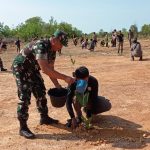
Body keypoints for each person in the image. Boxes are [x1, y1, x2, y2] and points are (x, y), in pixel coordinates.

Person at [12, 30, 74, 139]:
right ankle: (23, 127)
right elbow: (45, 69)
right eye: (61, 44)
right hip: (21, 68)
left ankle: (44, 117)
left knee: (40, 91)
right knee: (25, 96)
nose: (61, 48)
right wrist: (65, 78)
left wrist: (57, 85)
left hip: (33, 69)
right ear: (54, 40)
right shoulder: (41, 45)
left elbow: (51, 69)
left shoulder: (53, 50)